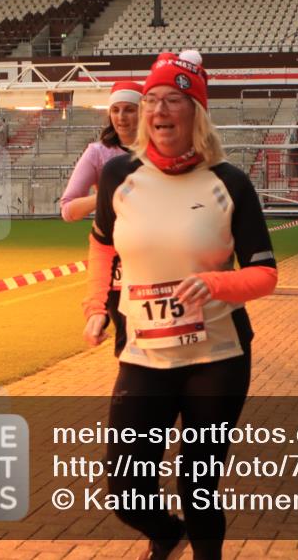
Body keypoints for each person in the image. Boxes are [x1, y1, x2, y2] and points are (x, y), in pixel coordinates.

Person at [81, 50, 277, 560]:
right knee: (125, 489)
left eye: (173, 99)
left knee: (197, 484)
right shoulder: (118, 177)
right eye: (151, 100)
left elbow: (265, 274)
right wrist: (96, 306)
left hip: (218, 355)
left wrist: (217, 284)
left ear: (196, 111)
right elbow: (102, 243)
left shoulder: (230, 181)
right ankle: (165, 533)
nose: (158, 110)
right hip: (144, 355)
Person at [61, 81, 141, 356]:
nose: (121, 117)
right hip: (115, 259)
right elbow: (68, 210)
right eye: (116, 110)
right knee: (128, 343)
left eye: (129, 109)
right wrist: (108, 195)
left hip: (157, 256)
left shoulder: (161, 151)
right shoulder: (98, 153)